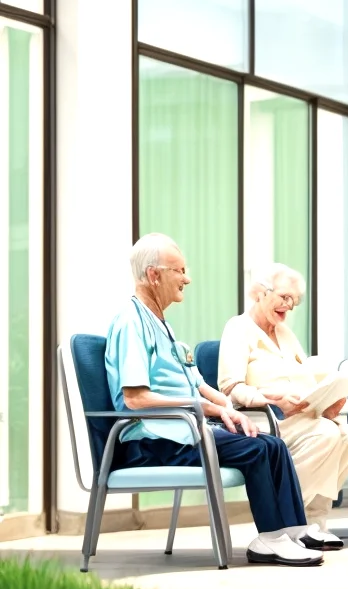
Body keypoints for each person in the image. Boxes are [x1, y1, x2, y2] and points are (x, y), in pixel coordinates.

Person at [105, 233, 326, 567]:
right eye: (179, 271)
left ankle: (291, 531)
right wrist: (206, 408)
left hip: (183, 430)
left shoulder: (162, 325)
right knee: (256, 449)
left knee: (272, 444)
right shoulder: (131, 323)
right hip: (154, 440)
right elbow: (135, 399)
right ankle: (270, 538)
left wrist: (227, 408)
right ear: (154, 275)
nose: (187, 279)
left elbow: (197, 383)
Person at [218, 263, 348, 551]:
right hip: (264, 420)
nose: (289, 305)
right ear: (260, 292)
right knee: (325, 433)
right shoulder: (238, 328)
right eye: (284, 297)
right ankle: (288, 522)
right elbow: (230, 388)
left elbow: (306, 377)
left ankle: (314, 521)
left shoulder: (285, 333)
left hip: (302, 418)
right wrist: (271, 398)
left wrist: (328, 400)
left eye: (294, 301)